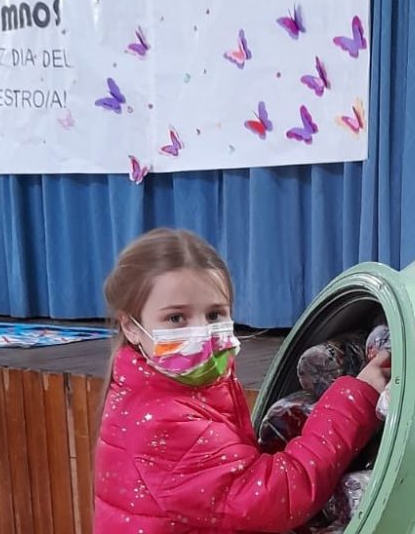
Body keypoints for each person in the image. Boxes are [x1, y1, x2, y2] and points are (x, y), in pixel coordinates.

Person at [94, 228, 390, 534]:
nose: (202, 332)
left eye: (214, 315)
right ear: (131, 327)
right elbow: (277, 498)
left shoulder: (172, 388)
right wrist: (355, 400)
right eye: (176, 318)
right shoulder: (163, 421)